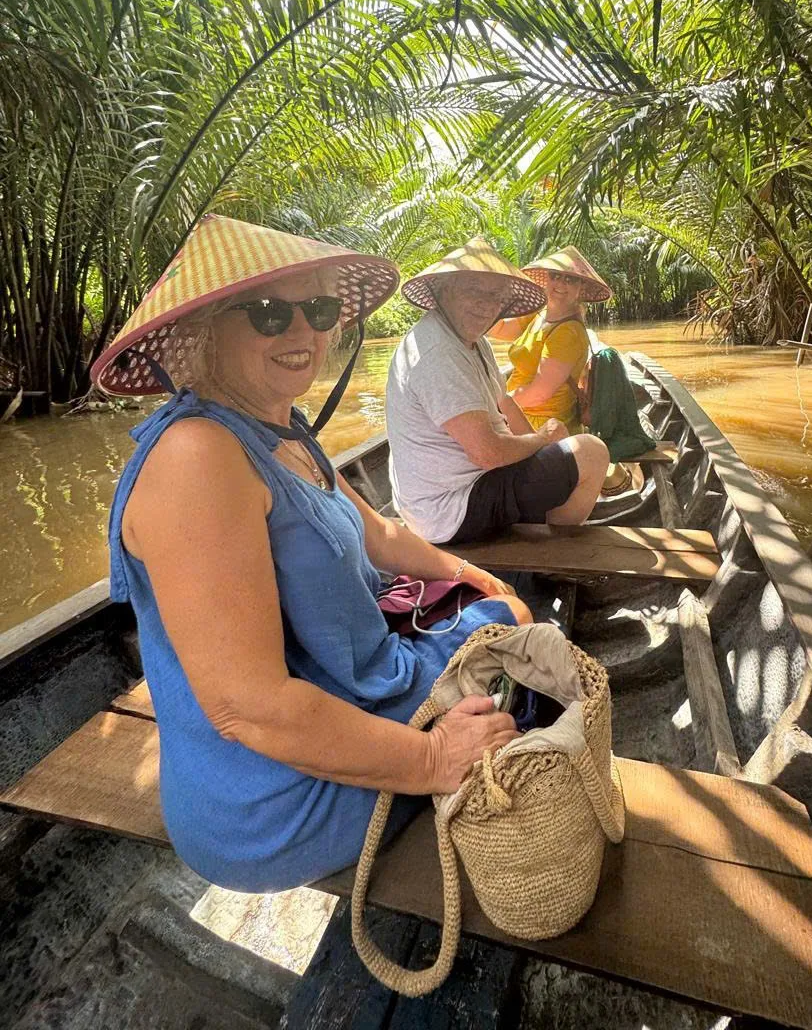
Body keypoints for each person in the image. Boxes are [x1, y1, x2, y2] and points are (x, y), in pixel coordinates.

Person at [91, 214, 532, 894]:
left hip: (346, 695)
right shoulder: (196, 458)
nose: (304, 333)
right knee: (528, 681)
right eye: (270, 313)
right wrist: (433, 759)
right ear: (208, 326)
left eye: (320, 309)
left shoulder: (281, 425)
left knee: (507, 614)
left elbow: (378, 535)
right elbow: (248, 708)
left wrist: (471, 574)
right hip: (276, 802)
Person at [385, 237, 609, 545]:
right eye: (473, 289)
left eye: (495, 296)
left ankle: (543, 529)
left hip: (459, 489)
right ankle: (553, 551)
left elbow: (503, 402)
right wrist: (542, 438)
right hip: (452, 509)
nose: (486, 304)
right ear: (444, 290)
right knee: (592, 452)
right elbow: (487, 453)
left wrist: (541, 446)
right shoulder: (437, 352)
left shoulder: (474, 341)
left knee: (571, 450)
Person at [493, 247, 612, 435]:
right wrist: (483, 303)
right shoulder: (539, 314)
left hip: (542, 425)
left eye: (570, 279)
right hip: (515, 411)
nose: (560, 283)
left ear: (580, 288)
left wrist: (495, 403)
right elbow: (499, 329)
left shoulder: (568, 333)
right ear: (547, 279)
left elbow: (538, 394)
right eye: (555, 276)